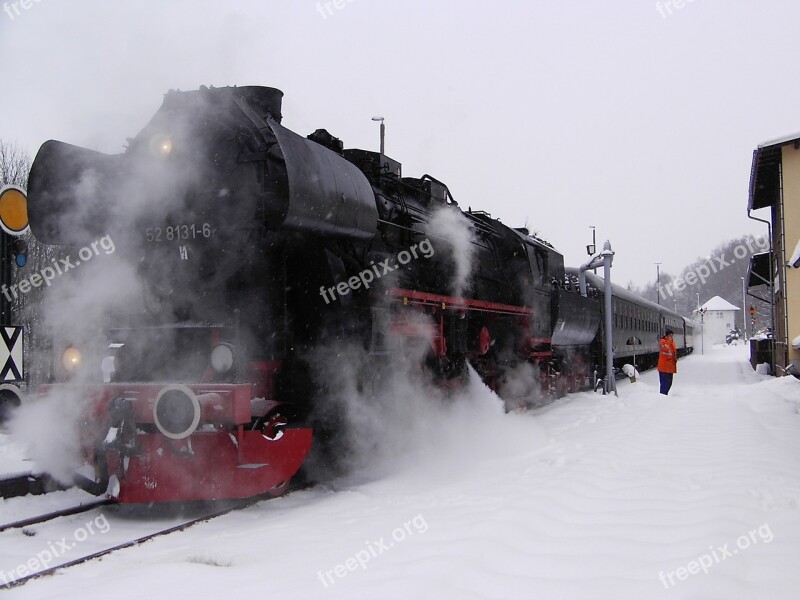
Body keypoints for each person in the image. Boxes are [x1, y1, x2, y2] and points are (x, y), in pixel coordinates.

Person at [658, 328, 677, 395]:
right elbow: (665, 349)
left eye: (672, 336)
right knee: (664, 384)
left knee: (669, 383)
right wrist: (669, 341)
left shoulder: (671, 343)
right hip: (664, 368)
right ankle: (662, 397)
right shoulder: (663, 342)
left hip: (670, 368)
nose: (671, 337)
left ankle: (665, 395)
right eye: (670, 336)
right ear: (666, 336)